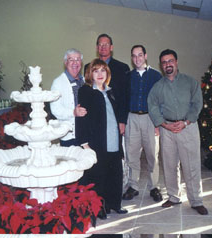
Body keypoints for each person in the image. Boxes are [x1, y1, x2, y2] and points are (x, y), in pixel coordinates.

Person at [147, 49, 208, 215]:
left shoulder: (190, 82)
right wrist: (164, 125)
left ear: (176, 62)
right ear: (161, 65)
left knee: (191, 165)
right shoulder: (157, 87)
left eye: (170, 61)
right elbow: (152, 106)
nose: (168, 64)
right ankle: (174, 197)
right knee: (169, 165)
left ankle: (196, 200)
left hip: (188, 127)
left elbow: (197, 103)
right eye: (164, 62)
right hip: (167, 129)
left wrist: (186, 122)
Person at [77, 58, 128, 219]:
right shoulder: (86, 91)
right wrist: (84, 143)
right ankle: (99, 207)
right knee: (98, 176)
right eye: (96, 70)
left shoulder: (111, 91)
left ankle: (115, 204)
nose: (100, 74)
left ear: (107, 73)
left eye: (103, 70)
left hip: (113, 139)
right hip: (97, 141)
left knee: (115, 173)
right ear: (90, 74)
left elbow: (117, 112)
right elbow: (81, 117)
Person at [122, 45, 162, 202]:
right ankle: (133, 186)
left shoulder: (156, 76)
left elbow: (160, 101)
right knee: (132, 154)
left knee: (153, 155)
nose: (137, 59)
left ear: (145, 56)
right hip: (132, 118)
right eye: (134, 56)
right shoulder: (127, 76)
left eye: (140, 55)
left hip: (150, 119)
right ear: (131, 58)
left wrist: (158, 123)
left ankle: (154, 187)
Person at [84, 33, 130, 136]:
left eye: (106, 44)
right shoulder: (88, 67)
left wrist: (122, 120)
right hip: (95, 118)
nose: (103, 47)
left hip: (115, 118)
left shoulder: (122, 68)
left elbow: (125, 97)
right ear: (97, 48)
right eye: (100, 44)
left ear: (111, 47)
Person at [50, 48, 87, 147]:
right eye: (71, 59)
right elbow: (55, 109)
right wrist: (73, 112)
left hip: (86, 133)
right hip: (69, 135)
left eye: (78, 59)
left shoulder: (85, 80)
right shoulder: (58, 83)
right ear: (65, 62)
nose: (75, 63)